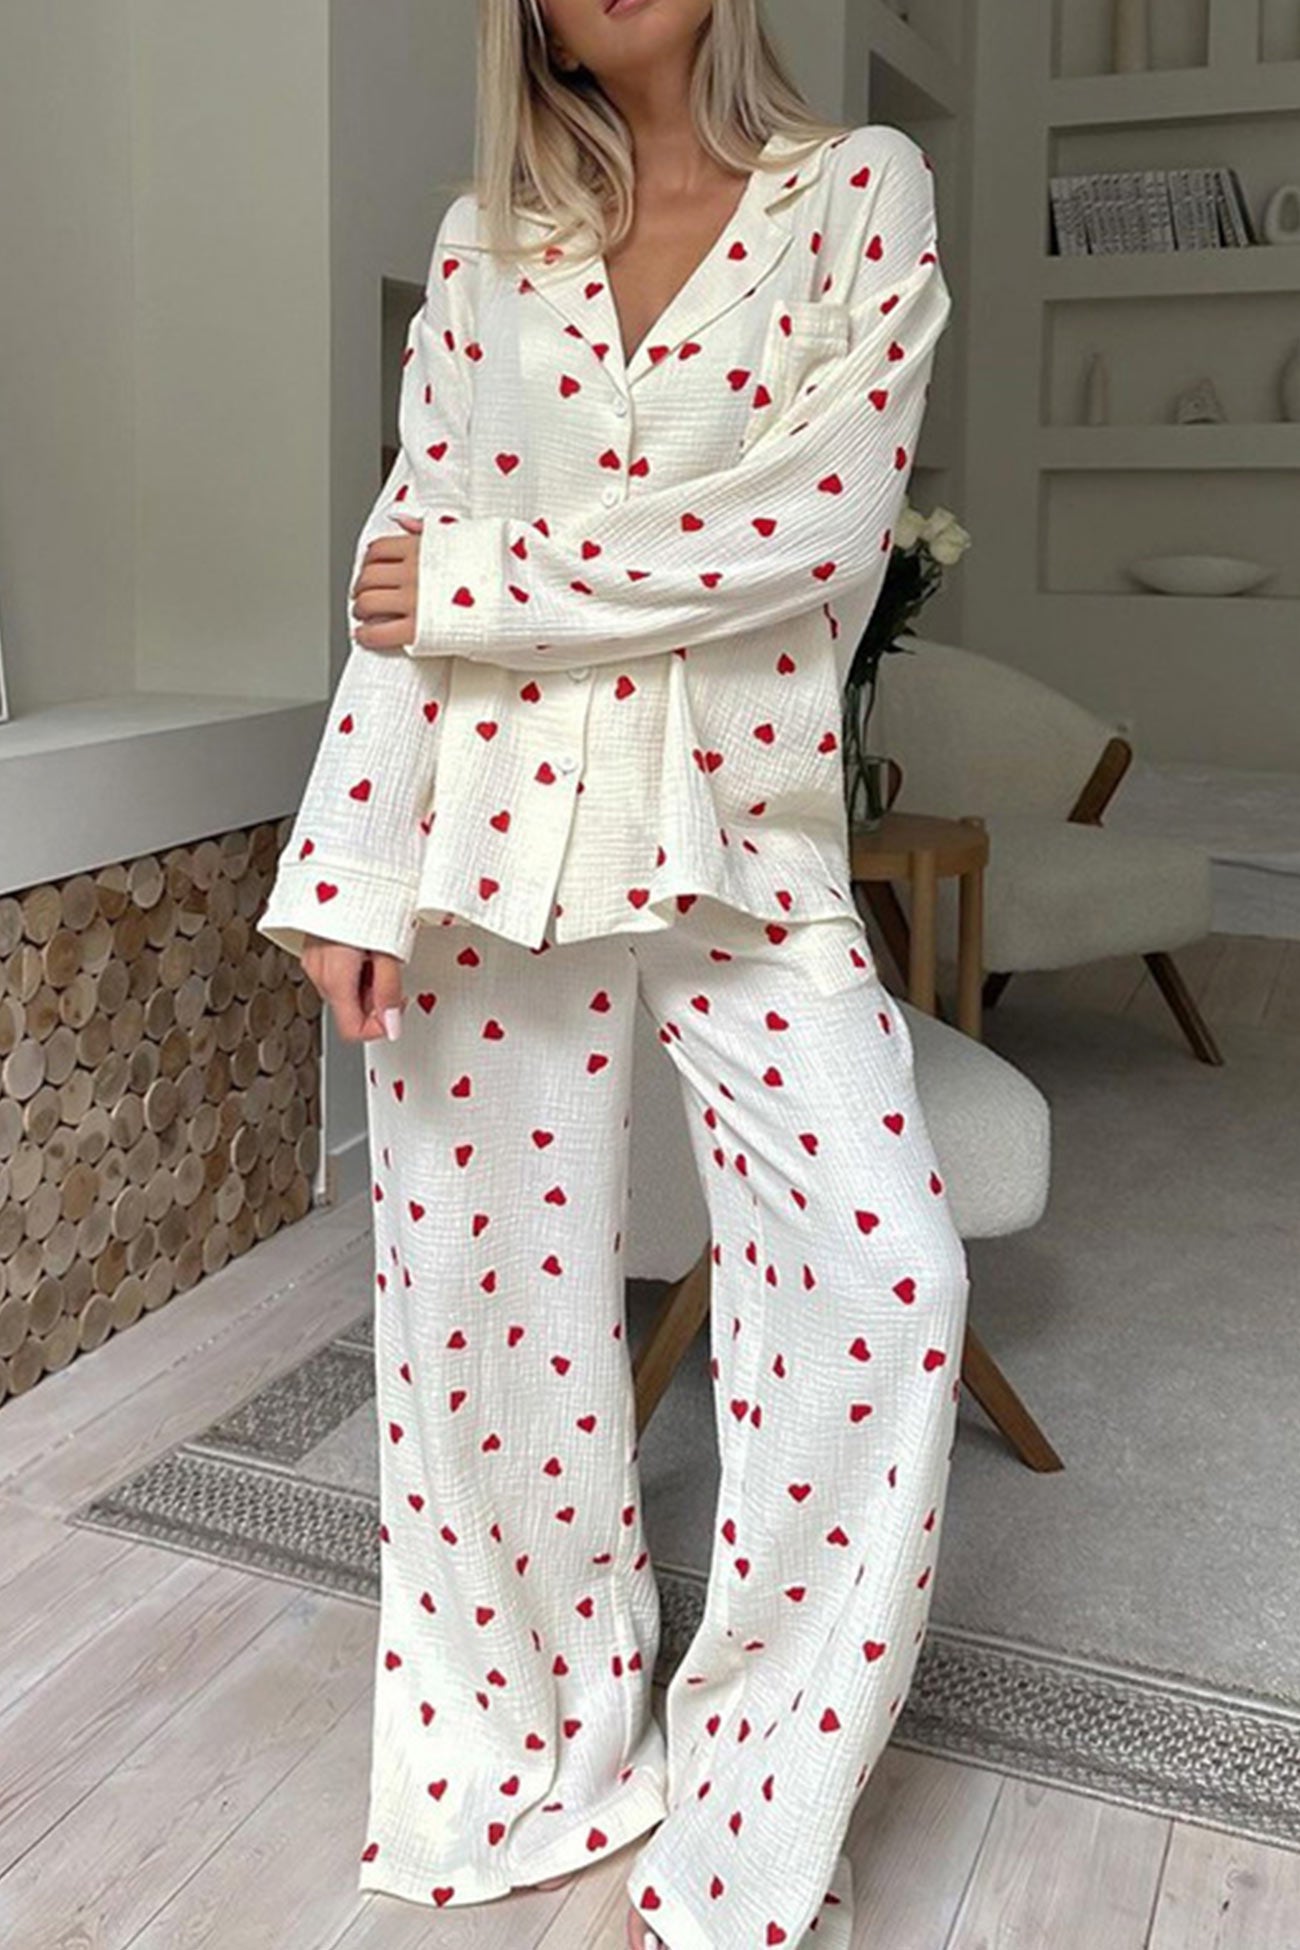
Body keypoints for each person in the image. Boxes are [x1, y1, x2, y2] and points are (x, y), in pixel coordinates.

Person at [257, 2, 965, 1945]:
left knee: (890, 1287)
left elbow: (813, 525)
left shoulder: (860, 195)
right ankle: (525, 1763)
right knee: (474, 1318)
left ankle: (749, 1827)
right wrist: (352, 864)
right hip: (483, 833)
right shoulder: (484, 245)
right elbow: (396, 567)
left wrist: (498, 576)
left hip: (745, 837)